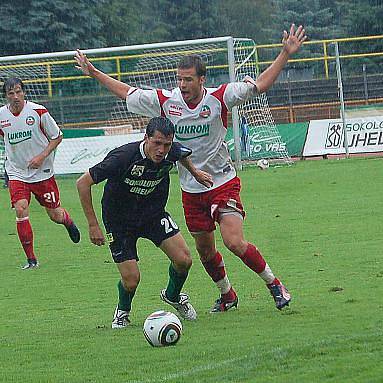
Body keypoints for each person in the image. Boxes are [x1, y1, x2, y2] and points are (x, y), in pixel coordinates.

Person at [75, 24, 307, 312]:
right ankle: (227, 296)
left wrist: (285, 53)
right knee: (205, 251)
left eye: (187, 80)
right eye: (179, 79)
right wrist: (94, 72)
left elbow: (259, 85)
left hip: (222, 182)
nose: (182, 85)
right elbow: (127, 93)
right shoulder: (166, 102)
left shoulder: (221, 96)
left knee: (233, 241)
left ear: (202, 80)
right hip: (191, 190)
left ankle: (274, 284)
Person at [76, 116, 213, 328]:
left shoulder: (170, 151)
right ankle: (122, 311)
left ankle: (173, 296)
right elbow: (82, 183)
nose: (161, 150)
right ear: (146, 138)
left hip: (152, 215)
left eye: (166, 145)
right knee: (131, 280)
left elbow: (180, 154)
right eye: (157, 143)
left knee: (184, 259)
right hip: (119, 221)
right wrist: (93, 224)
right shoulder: (123, 157)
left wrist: (195, 173)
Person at [0, 78, 80, 270]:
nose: (15, 97)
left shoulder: (38, 112)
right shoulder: (1, 115)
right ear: (6, 96)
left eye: (18, 92)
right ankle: (32, 260)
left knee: (54, 214)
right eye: (11, 93)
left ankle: (67, 221)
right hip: (17, 172)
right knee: (20, 209)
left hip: (42, 173)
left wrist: (41, 156)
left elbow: (57, 136)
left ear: (24, 92)